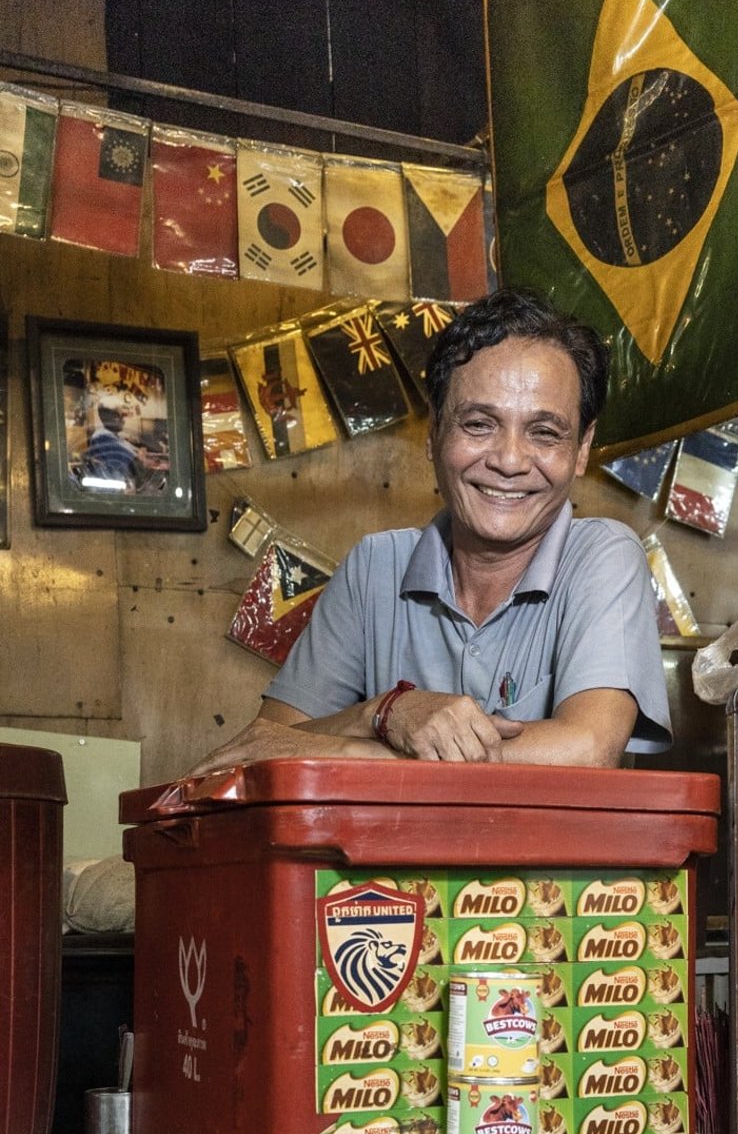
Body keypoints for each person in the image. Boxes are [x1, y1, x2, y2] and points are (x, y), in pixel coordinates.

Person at [191, 289, 671, 773]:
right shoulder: (374, 567)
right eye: (480, 424)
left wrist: (355, 750)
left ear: (582, 449)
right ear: (434, 433)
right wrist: (385, 712)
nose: (508, 461)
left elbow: (587, 752)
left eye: (544, 433)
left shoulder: (604, 555)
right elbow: (263, 746)